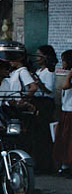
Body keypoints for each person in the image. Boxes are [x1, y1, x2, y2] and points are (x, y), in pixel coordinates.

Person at [31, 45, 58, 173]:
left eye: (39, 55)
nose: (37, 58)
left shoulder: (49, 72)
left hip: (45, 103)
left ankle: (45, 165)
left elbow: (48, 90)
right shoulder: (38, 71)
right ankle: (38, 162)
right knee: (36, 134)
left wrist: (38, 82)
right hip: (37, 101)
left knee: (44, 134)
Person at [53, 50, 72, 176]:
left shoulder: (70, 75)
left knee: (68, 139)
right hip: (66, 109)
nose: (62, 63)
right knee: (64, 139)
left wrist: (70, 75)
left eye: (64, 60)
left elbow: (65, 86)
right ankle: (64, 165)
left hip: (70, 110)